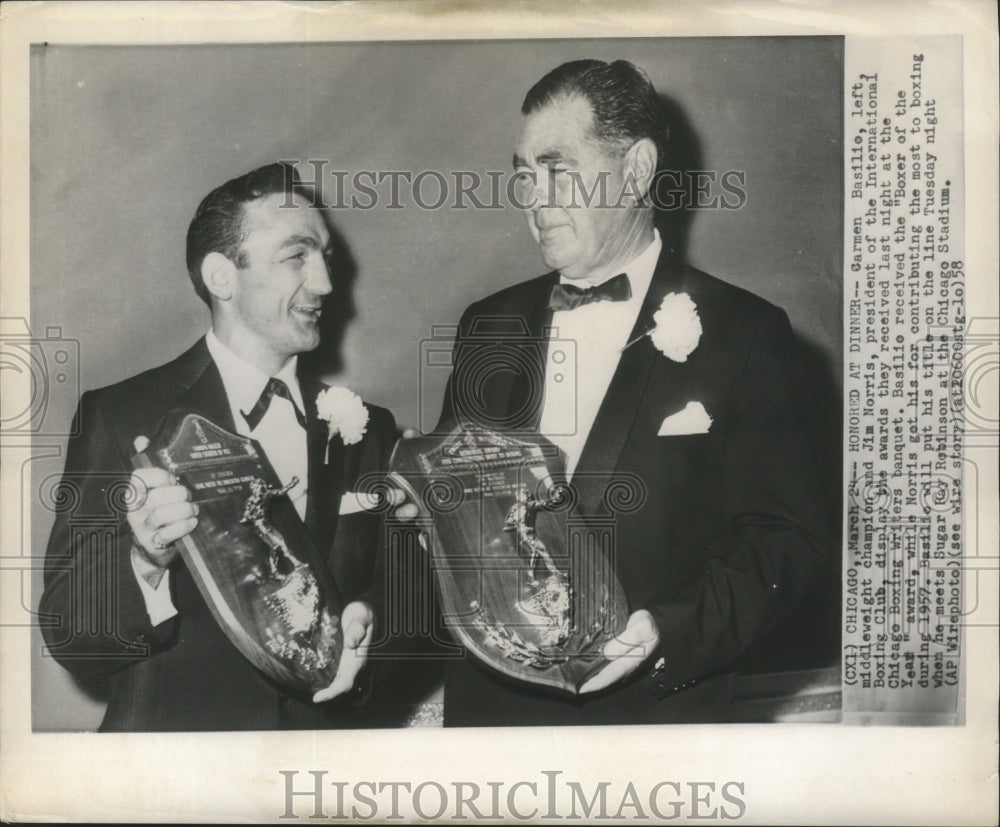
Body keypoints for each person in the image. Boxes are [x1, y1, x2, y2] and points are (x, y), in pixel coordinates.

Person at [430, 59, 836, 725]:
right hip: (490, 728)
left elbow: (788, 542)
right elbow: (450, 519)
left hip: (653, 727)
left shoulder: (747, 334)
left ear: (638, 169)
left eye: (556, 170)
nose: (533, 199)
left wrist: (666, 631)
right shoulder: (487, 326)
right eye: (523, 175)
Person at [40, 163, 397, 731]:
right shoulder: (121, 415)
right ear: (221, 277)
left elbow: (398, 588)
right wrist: (146, 560)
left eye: (324, 256)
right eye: (296, 256)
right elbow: (70, 637)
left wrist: (374, 618)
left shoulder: (367, 428)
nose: (326, 282)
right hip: (172, 781)